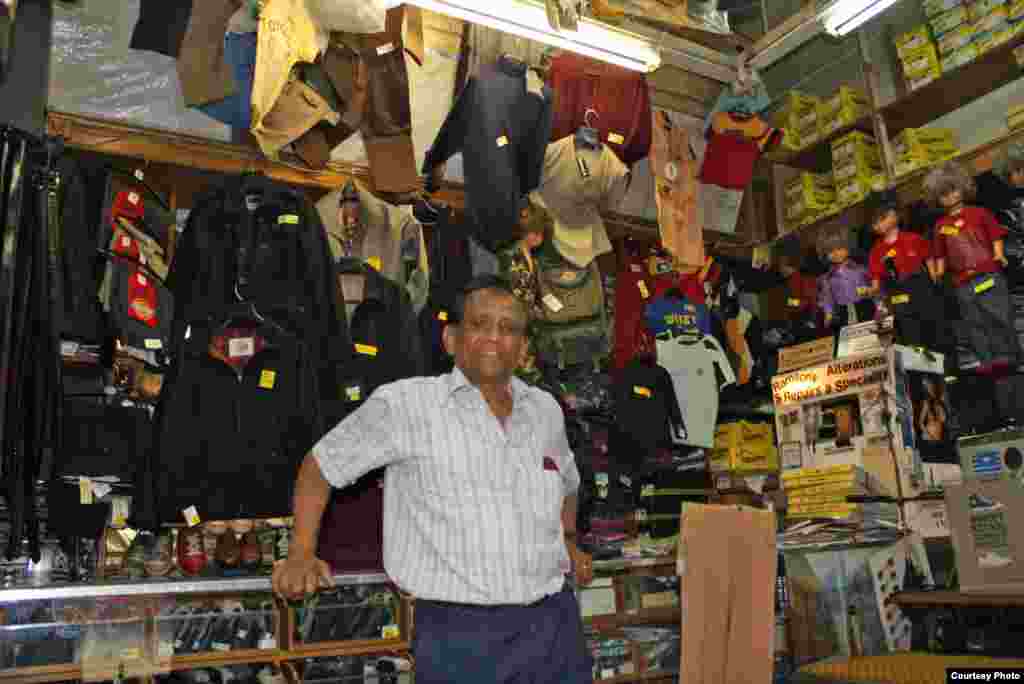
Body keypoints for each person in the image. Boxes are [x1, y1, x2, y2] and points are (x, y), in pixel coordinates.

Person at [272, 275, 595, 683]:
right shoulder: (406, 405)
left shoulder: (545, 410)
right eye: (479, 324)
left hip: (555, 627)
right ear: (450, 339)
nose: (495, 337)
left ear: (525, 348)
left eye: (509, 328)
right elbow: (320, 466)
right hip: (459, 636)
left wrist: (568, 540)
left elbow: (567, 481)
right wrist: (302, 551)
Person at [865, 190, 944, 352]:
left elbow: (928, 257)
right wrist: (872, 289)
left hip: (921, 288)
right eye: (875, 223)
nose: (879, 225)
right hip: (897, 294)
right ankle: (922, 370)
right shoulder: (876, 251)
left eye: (882, 218)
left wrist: (934, 274)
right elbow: (875, 277)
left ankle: (944, 368)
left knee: (932, 327)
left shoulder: (913, 238)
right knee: (910, 334)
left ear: (896, 214)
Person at [497, 196, 553, 385]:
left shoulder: (532, 257)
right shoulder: (510, 256)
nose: (540, 237)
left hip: (527, 326)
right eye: (536, 232)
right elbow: (514, 294)